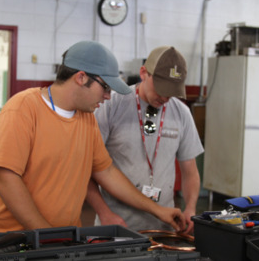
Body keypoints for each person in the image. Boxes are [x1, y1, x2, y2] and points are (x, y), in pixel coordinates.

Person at [0, 41, 186, 234]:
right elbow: (6, 179)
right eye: (105, 87)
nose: (107, 96)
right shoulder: (23, 108)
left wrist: (158, 211)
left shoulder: (87, 120)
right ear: (81, 77)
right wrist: (45, 236)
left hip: (60, 241)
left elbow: (106, 171)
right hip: (13, 240)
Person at [87, 46, 204, 234]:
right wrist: (104, 213)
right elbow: (87, 168)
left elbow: (190, 171)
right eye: (161, 89)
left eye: (171, 92)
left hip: (165, 227)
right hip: (116, 225)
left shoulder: (181, 113)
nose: (165, 97)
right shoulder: (111, 105)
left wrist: (190, 207)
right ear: (143, 73)